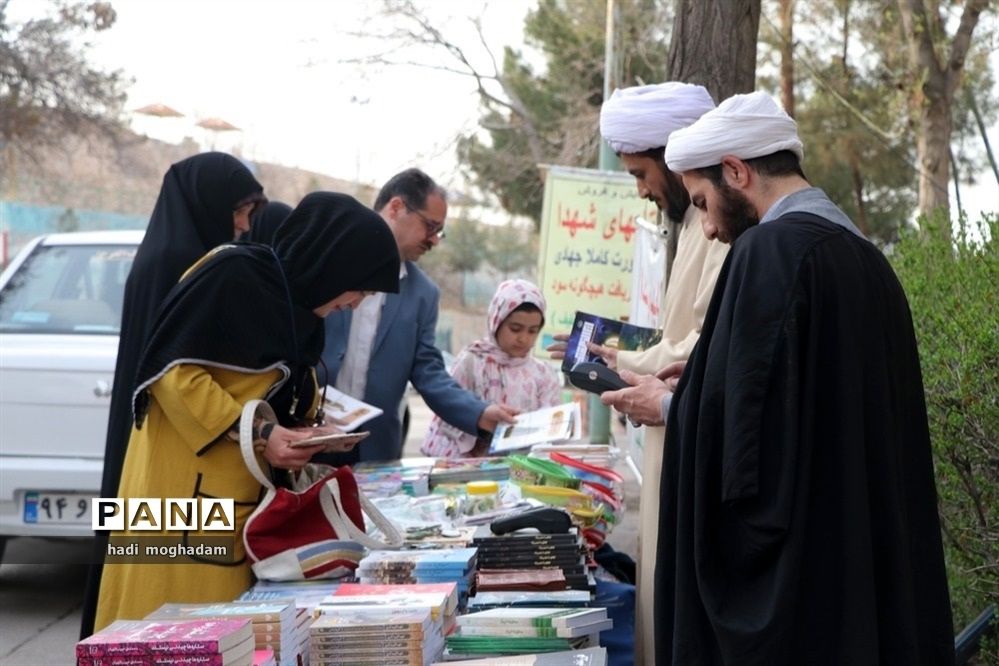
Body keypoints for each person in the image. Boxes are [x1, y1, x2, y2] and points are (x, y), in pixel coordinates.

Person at [605, 92, 954, 664]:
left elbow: (754, 444)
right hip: (857, 567)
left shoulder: (768, 250)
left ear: (736, 171)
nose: (708, 228)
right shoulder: (867, 260)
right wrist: (707, 377)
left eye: (703, 202)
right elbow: (802, 397)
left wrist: (671, 407)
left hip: (802, 590)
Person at [93, 192, 400, 631]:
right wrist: (261, 434)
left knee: (226, 633)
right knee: (168, 627)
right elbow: (174, 374)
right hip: (178, 492)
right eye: (361, 289)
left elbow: (276, 388)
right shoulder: (229, 275)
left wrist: (306, 431)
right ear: (332, 263)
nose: (356, 304)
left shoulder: (299, 310)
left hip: (242, 499)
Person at [548, 81, 727, 664]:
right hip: (668, 430)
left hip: (691, 432)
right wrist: (614, 354)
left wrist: (621, 359)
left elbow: (705, 345)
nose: (643, 190)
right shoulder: (692, 222)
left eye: (641, 174)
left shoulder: (721, 227)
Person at [82, 151, 266, 638]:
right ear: (207, 203)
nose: (244, 226)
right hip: (164, 435)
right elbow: (174, 369)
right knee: (150, 569)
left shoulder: (173, 253)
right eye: (239, 211)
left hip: (160, 433)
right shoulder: (178, 261)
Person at [320, 168, 516, 463]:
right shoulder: (328, 261)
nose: (434, 240)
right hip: (307, 439)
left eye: (440, 232)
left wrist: (479, 413)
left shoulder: (423, 294)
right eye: (431, 227)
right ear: (396, 208)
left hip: (373, 450)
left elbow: (428, 371)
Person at [421, 279, 561, 458]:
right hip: (468, 467)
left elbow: (551, 428)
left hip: (522, 467)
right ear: (496, 322)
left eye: (532, 331)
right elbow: (448, 413)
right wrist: (481, 422)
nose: (523, 338)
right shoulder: (471, 362)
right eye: (515, 329)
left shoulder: (543, 374)